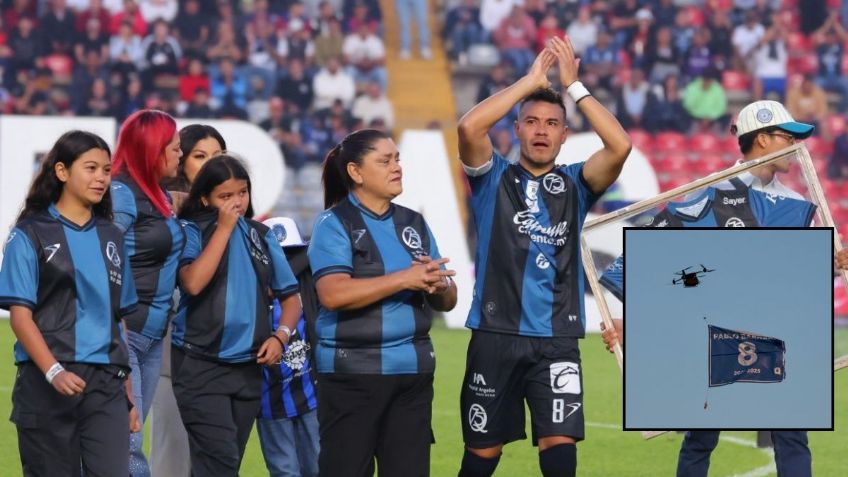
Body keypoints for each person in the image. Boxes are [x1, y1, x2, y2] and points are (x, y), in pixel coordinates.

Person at [600, 100, 844, 477]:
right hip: (714, 338)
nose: (798, 147)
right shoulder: (709, 194)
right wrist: (623, 323)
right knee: (701, 438)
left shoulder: (797, 205)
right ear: (762, 139)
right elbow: (655, 264)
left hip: (776, 337)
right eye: (788, 137)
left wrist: (834, 264)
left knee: (793, 435)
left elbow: (804, 273)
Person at [455, 37, 631, 477]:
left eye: (551, 123)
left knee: (559, 449)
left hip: (557, 341)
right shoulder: (492, 178)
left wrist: (574, 88)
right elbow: (468, 130)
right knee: (483, 454)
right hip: (495, 335)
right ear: (516, 129)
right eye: (530, 121)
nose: (540, 130)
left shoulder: (576, 184)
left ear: (563, 134)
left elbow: (620, 146)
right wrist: (530, 81)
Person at [308, 129, 458, 477]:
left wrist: (438, 284)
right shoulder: (334, 224)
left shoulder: (413, 223)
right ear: (356, 173)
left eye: (397, 159)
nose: (397, 167)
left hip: (412, 376)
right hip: (352, 376)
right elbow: (333, 294)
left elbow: (448, 301)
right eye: (385, 161)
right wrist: (405, 278)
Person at [0, 130, 140, 475]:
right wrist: (53, 370)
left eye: (106, 170)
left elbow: (117, 319)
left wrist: (129, 396)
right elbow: (21, 316)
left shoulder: (112, 236)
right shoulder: (29, 234)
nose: (101, 178)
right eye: (90, 168)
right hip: (47, 380)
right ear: (61, 171)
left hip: (106, 384)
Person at [173, 155, 302, 475]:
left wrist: (280, 337)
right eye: (225, 196)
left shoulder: (261, 235)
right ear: (204, 198)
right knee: (220, 463)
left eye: (242, 193)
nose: (237, 202)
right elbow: (192, 282)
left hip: (249, 368)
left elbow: (291, 297)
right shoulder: (191, 230)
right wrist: (224, 229)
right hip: (200, 363)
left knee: (221, 463)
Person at [110, 109, 185, 477]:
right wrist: (117, 329)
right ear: (152, 149)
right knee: (128, 443)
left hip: (153, 334)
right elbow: (103, 256)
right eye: (174, 147)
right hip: (130, 332)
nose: (180, 154)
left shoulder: (158, 195)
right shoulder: (122, 194)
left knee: (128, 439)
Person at [149, 123, 227, 477]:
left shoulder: (233, 214)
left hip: (223, 345)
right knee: (173, 448)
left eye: (219, 156)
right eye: (200, 156)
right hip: (172, 334)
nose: (212, 164)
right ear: (180, 162)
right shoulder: (163, 209)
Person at [257, 217, 320, 477]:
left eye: (290, 256)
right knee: (284, 471)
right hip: (269, 401)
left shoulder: (312, 290)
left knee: (318, 467)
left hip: (311, 397)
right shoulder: (254, 295)